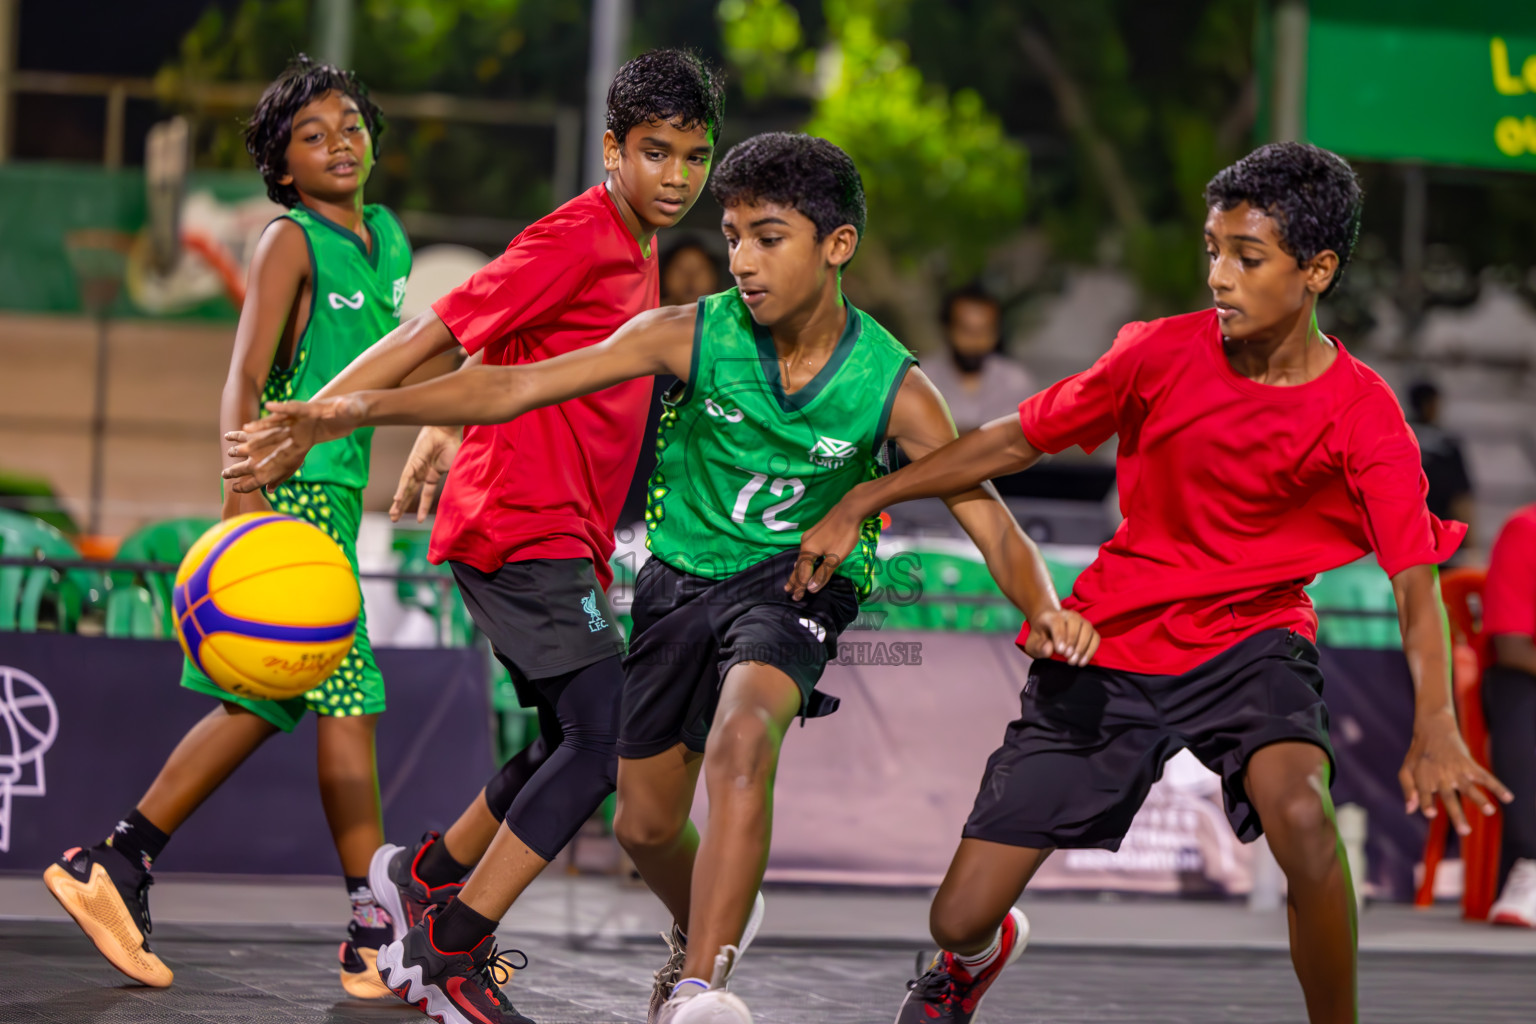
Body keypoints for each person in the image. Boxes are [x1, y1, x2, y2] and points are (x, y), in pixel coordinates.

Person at [225, 131, 1097, 1024]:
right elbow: (514, 389)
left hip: (792, 591)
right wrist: (347, 411)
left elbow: (986, 512)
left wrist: (1045, 608)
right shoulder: (687, 333)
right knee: (643, 822)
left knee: (744, 733)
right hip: (677, 586)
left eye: (768, 237)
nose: (742, 261)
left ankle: (699, 990)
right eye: (732, 237)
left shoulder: (892, 386)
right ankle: (703, 927)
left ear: (837, 245)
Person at [791, 142, 1512, 1024]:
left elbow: (1415, 580)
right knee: (958, 914)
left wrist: (1435, 718)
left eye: (1247, 258)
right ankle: (974, 958)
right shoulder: (1158, 355)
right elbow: (1014, 440)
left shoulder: (1365, 414)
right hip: (1115, 639)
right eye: (1213, 250)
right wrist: (871, 492)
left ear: (1317, 271)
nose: (1219, 276)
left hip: (1254, 641)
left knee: (1307, 826)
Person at [225, 49, 724, 1024]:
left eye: (696, 157)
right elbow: (441, 332)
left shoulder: (639, 236)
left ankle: (424, 875)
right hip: (518, 525)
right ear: (613, 149)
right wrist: (318, 415)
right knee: (608, 736)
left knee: (565, 734)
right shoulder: (584, 232)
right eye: (656, 153)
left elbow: (513, 327)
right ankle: (448, 950)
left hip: (558, 531)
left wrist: (446, 425)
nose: (677, 176)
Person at [42, 56, 412, 998]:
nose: (339, 143)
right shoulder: (287, 241)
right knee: (341, 704)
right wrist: (240, 492)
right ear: (283, 168)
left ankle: (119, 862)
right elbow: (242, 378)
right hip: (286, 502)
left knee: (281, 706)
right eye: (312, 135)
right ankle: (370, 927)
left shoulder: (392, 243)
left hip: (336, 501)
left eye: (350, 125)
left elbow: (395, 374)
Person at [1484, 503, 1536, 927]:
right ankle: (1531, 866)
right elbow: (1513, 647)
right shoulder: (1526, 530)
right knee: (1522, 696)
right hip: (1525, 677)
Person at [919, 283, 1035, 433]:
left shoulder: (1015, 381)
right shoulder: (922, 377)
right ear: (948, 329)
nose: (975, 341)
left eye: (984, 331)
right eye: (966, 331)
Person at [1406, 378, 1475, 554]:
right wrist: (1471, 545)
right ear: (1428, 404)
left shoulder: (1399, 439)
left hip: (1406, 539)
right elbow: (1460, 497)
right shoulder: (1447, 446)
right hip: (1442, 538)